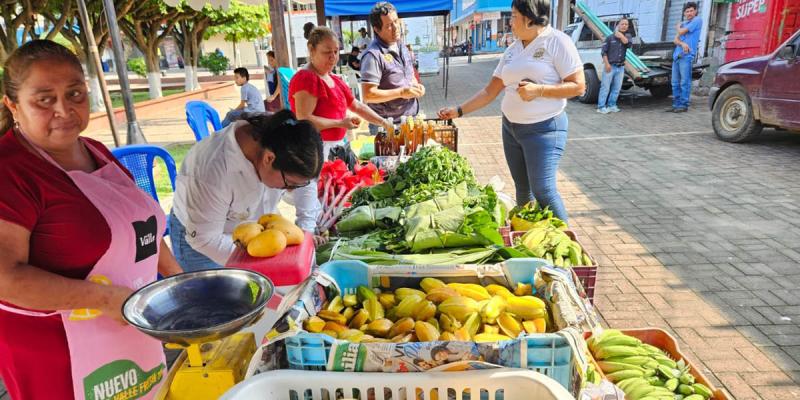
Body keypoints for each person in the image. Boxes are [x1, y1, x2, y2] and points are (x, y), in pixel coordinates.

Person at [0, 40, 182, 399]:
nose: (64, 110)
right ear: (13, 106)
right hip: (59, 356)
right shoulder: (10, 172)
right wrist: (105, 299)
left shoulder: (94, 150)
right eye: (44, 99)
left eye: (75, 93)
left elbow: (139, 228)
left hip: (130, 331)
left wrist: (180, 281)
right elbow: (5, 278)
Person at [438, 0, 585, 223]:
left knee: (543, 189)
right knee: (523, 191)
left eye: (514, 16)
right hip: (511, 129)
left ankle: (570, 245)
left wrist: (540, 90)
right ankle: (530, 237)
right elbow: (490, 91)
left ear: (529, 17)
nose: (510, 22)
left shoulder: (557, 42)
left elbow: (578, 86)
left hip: (544, 130)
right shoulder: (513, 49)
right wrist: (458, 111)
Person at [169, 110, 326, 271]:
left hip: (250, 229)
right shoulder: (213, 172)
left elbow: (304, 180)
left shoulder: (283, 137)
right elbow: (205, 239)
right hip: (201, 241)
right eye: (289, 184)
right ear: (269, 158)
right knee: (220, 294)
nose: (291, 190)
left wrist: (305, 231)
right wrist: (264, 263)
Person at [289, 27, 391, 158]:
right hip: (315, 151)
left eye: (336, 51)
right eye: (327, 52)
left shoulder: (333, 78)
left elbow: (356, 106)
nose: (333, 57)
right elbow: (304, 119)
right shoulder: (306, 78)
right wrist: (340, 123)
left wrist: (383, 122)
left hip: (335, 148)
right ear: (312, 50)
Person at [360, 2, 426, 135]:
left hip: (410, 118)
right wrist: (401, 92)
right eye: (389, 25)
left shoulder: (400, 45)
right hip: (387, 125)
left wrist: (416, 86)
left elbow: (409, 73)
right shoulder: (373, 55)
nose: (396, 28)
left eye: (396, 21)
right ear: (377, 30)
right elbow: (368, 95)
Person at [668, 2, 701, 113]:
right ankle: (676, 104)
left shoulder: (697, 21)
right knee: (675, 82)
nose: (689, 13)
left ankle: (684, 105)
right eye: (687, 11)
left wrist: (678, 26)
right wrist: (682, 44)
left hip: (687, 56)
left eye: (691, 10)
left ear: (695, 11)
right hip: (677, 55)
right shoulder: (684, 23)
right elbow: (675, 40)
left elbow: (681, 31)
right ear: (684, 13)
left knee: (684, 82)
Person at [597, 17, 632, 114]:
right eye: (622, 24)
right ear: (618, 25)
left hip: (620, 67)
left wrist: (620, 35)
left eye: (626, 24)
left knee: (616, 88)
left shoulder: (628, 36)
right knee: (605, 87)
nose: (624, 26)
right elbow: (603, 52)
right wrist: (607, 64)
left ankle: (612, 105)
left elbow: (627, 43)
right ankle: (601, 107)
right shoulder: (609, 38)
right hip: (610, 66)